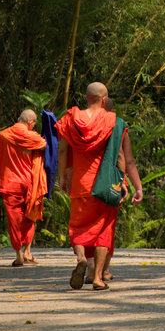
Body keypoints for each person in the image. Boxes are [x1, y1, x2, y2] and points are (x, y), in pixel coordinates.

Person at [56, 83, 143, 291]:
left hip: (80, 182)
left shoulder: (70, 120)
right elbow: (126, 159)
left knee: (78, 226)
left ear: (86, 97)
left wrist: (62, 177)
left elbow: (62, 150)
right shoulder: (115, 123)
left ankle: (80, 259)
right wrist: (133, 185)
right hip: (106, 185)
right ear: (104, 100)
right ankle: (97, 279)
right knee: (103, 230)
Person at [0, 109, 48, 267]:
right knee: (30, 216)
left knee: (14, 220)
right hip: (29, 182)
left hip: (9, 183)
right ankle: (28, 252)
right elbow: (46, 146)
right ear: (30, 123)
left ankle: (19, 255)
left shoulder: (2, 136)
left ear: (18, 119)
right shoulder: (32, 137)